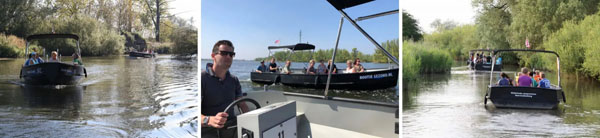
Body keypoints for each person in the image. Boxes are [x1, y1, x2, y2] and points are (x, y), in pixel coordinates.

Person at [201, 40, 248, 137]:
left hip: (232, 127)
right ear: (213, 56)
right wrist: (209, 120)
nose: (228, 57)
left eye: (231, 54)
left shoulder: (234, 80)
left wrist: (253, 121)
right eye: (224, 53)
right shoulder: (202, 79)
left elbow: (242, 104)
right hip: (209, 131)